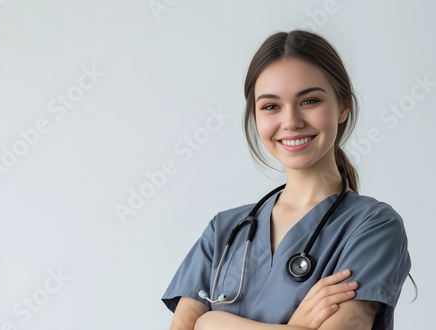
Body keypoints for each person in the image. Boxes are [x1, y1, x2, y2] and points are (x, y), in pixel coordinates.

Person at [162, 30, 411, 330]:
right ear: (255, 116)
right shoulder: (223, 231)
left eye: (309, 101)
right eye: (270, 106)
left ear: (343, 106)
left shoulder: (374, 226)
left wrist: (212, 322)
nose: (291, 121)